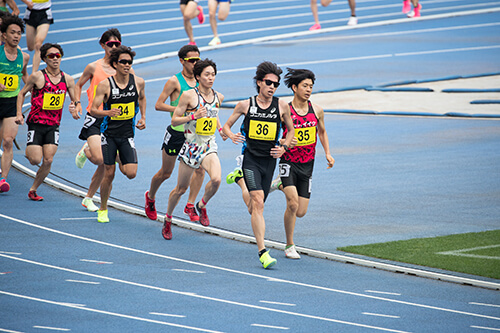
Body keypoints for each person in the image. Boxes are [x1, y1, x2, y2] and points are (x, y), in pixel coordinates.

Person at [222, 61, 295, 269]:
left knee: (253, 206)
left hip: (269, 160)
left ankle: (240, 181)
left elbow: (290, 132)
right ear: (259, 82)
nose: (272, 87)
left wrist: (284, 148)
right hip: (251, 158)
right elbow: (226, 126)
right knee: (258, 202)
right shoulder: (245, 105)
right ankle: (263, 252)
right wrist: (231, 135)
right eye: (269, 82)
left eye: (276, 84)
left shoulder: (281, 106)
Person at [269, 68, 335, 259]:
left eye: (311, 86)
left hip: (307, 164)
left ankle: (280, 183)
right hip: (288, 161)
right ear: (294, 87)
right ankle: (289, 245)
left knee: (300, 212)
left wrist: (328, 153)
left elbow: (322, 132)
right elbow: (272, 136)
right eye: (305, 86)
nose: (308, 90)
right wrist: (284, 141)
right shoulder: (284, 111)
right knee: (292, 203)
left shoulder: (317, 110)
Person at [162, 59, 226, 240]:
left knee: (216, 179)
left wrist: (220, 130)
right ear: (198, 77)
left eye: (213, 74)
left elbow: (214, 115)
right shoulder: (189, 96)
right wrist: (193, 115)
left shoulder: (218, 97)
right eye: (207, 74)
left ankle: (202, 204)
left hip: (208, 145)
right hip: (191, 146)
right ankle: (168, 218)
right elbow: (174, 120)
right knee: (181, 189)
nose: (211, 78)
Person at [145, 44, 206, 223]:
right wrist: (181, 111)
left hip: (195, 135)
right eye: (191, 60)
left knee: (200, 169)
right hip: (177, 132)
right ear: (182, 61)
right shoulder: (174, 81)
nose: (195, 63)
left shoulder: (201, 80)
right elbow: (158, 104)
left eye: (198, 60)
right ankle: (151, 197)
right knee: (166, 173)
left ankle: (190, 204)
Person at [74, 28, 128, 212]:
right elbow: (78, 84)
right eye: (110, 44)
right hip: (95, 117)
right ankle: (87, 148)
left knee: (108, 164)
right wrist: (77, 103)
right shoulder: (93, 67)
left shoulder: (124, 67)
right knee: (99, 158)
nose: (113, 47)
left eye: (117, 44)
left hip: (115, 120)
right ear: (103, 45)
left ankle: (88, 198)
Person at [90, 45, 146, 223]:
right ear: (115, 64)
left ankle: (116, 156)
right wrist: (108, 113)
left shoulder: (138, 82)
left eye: (129, 62)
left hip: (128, 134)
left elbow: (142, 98)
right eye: (123, 62)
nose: (127, 65)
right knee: (109, 173)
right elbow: (93, 110)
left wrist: (143, 117)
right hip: (109, 134)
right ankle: (103, 208)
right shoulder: (106, 85)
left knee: (131, 173)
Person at [15, 43, 78, 200]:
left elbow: (75, 100)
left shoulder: (68, 79)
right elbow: (22, 93)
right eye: (51, 56)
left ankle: (33, 189)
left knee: (48, 159)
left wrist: (75, 107)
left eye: (58, 55)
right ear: (44, 58)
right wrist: (19, 114)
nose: (55, 58)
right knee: (35, 159)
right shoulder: (37, 77)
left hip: (53, 125)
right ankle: (30, 152)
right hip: (36, 123)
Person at [0, 14, 29, 193]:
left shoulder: (24, 57)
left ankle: (3, 178)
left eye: (19, 33)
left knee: (8, 141)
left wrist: (31, 87)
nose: (16, 36)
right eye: (12, 32)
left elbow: (25, 75)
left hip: (12, 103)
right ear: (4, 35)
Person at [21, 0, 54, 73]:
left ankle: (34, 73)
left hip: (45, 13)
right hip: (31, 12)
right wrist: (27, 2)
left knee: (38, 44)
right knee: (30, 47)